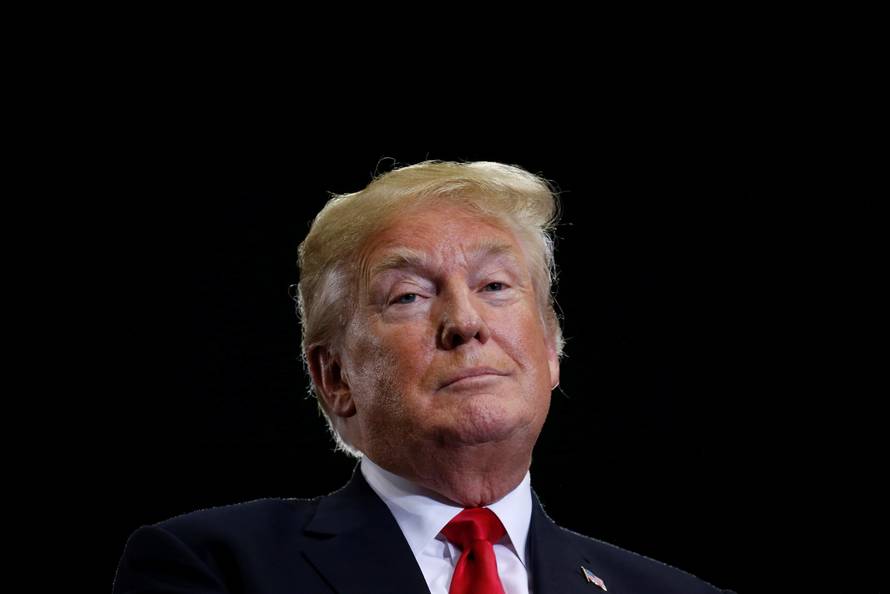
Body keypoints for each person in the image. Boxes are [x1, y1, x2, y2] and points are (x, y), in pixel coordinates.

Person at [112, 160, 734, 593]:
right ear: (334, 378)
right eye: (408, 296)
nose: (464, 323)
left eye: (495, 286)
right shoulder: (215, 568)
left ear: (550, 349)